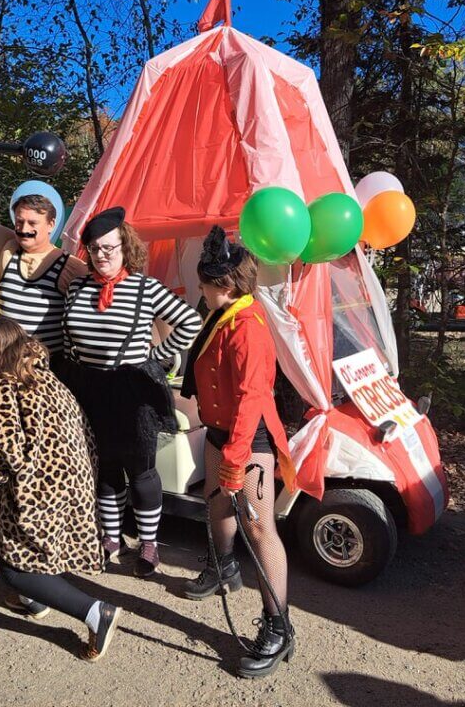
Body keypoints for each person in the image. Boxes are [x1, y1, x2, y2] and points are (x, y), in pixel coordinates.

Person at [180, 226, 299, 679]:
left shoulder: (248, 327)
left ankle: (278, 624)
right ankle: (223, 567)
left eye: (205, 284)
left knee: (260, 526)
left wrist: (235, 459)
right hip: (220, 430)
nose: (200, 291)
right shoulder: (223, 313)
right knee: (216, 504)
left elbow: (251, 398)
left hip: (249, 439)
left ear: (224, 286)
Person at [0, 317, 121, 661]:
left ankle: (96, 611)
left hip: (33, 490)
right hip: (71, 480)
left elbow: (0, 452)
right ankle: (34, 600)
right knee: (40, 550)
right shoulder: (45, 374)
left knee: (14, 566)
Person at [61, 207, 202, 577]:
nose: (102, 255)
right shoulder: (78, 286)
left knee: (141, 471)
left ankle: (149, 544)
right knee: (105, 468)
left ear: (125, 247)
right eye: (94, 249)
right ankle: (111, 537)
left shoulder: (145, 287)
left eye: (109, 248)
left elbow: (190, 321)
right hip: (90, 388)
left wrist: (154, 359)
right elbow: (67, 334)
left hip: (133, 392)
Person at [0, 141, 86, 369]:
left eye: (32, 222)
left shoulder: (70, 266)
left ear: (51, 224)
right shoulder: (5, 246)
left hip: (46, 375)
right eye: (19, 221)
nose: (23, 228)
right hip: (1, 367)